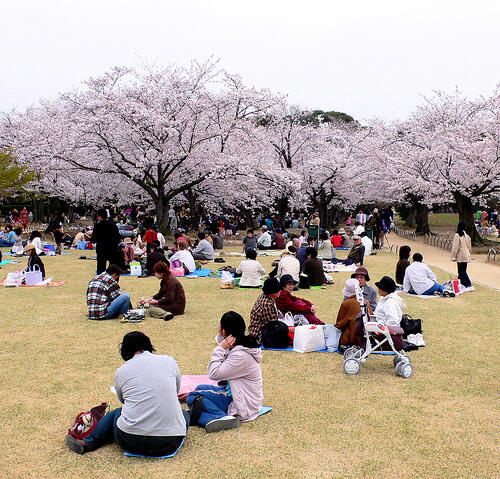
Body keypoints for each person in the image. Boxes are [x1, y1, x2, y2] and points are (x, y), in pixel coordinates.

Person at [65, 331, 189, 455]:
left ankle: (88, 442)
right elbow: (175, 391)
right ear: (149, 346)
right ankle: (194, 414)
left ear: (125, 351)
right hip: (169, 442)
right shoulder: (169, 361)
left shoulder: (121, 371)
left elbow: (124, 400)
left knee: (116, 413)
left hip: (129, 440)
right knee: (182, 414)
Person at [186, 311, 263, 433]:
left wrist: (220, 348)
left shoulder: (240, 355)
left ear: (224, 331)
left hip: (241, 403)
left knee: (193, 396)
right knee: (199, 388)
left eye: (220, 325)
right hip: (238, 394)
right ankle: (202, 414)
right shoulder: (241, 345)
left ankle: (221, 417)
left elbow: (214, 374)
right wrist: (224, 344)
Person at [335, 278, 373, 347]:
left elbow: (339, 324)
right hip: (366, 339)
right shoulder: (366, 302)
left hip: (350, 340)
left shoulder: (346, 304)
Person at [91, 209, 122, 274]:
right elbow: (119, 238)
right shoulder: (113, 225)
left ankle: (101, 281)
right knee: (113, 268)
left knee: (101, 269)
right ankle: (113, 281)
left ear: (99, 216)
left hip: (101, 249)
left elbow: (93, 240)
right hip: (113, 249)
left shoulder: (97, 226)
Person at [450, 221, 473, 291]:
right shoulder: (467, 236)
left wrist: (453, 256)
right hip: (466, 255)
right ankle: (461, 284)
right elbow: (470, 247)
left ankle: (469, 285)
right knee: (462, 270)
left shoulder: (457, 235)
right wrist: (469, 254)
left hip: (460, 255)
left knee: (462, 271)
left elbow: (455, 247)